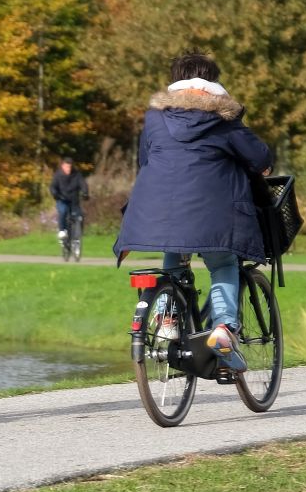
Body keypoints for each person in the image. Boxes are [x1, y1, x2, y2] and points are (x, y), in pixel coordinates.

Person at [114, 51, 272, 372]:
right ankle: (224, 328)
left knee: (175, 242)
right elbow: (260, 160)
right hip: (214, 213)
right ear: (213, 84)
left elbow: (146, 161)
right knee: (223, 262)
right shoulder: (223, 120)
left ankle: (168, 316)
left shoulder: (154, 119)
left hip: (157, 209)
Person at [49, 157, 89, 246]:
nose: (68, 169)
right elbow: (53, 187)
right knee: (62, 211)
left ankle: (77, 235)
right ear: (63, 166)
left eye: (70, 167)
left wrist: (85, 193)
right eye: (67, 167)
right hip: (62, 199)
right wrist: (55, 194)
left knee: (79, 216)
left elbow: (83, 184)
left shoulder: (77, 175)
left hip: (74, 200)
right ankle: (62, 231)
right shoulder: (58, 175)